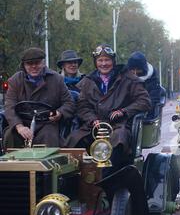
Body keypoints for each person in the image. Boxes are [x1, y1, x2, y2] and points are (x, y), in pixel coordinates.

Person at [65, 44, 151, 173]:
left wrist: (124, 111)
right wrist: (92, 120)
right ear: (96, 63)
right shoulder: (88, 81)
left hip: (118, 125)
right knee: (73, 139)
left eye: (107, 60)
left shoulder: (128, 79)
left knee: (119, 139)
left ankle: (109, 176)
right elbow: (82, 106)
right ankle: (76, 179)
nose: (104, 64)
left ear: (113, 61)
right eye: (100, 60)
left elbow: (144, 101)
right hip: (93, 126)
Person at [3, 47, 75, 148]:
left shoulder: (56, 79)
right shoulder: (15, 81)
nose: (34, 66)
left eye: (37, 63)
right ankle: (13, 163)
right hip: (22, 123)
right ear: (23, 65)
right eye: (29, 64)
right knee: (10, 136)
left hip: (47, 123)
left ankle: (48, 164)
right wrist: (19, 127)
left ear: (43, 63)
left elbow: (69, 103)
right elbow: (9, 106)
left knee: (49, 137)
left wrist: (59, 113)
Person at [127, 51, 162, 118]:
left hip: (146, 114)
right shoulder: (125, 78)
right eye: (132, 70)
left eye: (138, 70)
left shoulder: (153, 81)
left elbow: (153, 101)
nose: (135, 73)